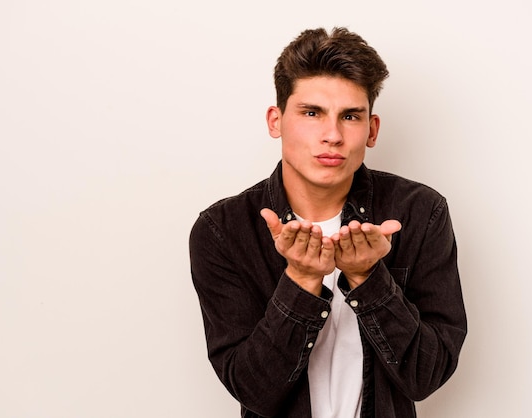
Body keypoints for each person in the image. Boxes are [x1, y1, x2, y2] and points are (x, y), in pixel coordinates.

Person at [189, 27, 467, 418]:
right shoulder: (222, 230)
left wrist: (369, 278)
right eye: (311, 113)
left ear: (371, 130)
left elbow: (426, 376)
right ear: (276, 120)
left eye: (350, 116)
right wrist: (301, 279)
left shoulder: (421, 213)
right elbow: (254, 391)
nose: (332, 135)